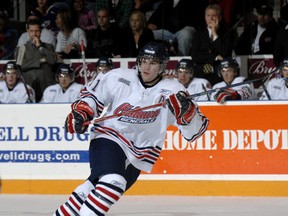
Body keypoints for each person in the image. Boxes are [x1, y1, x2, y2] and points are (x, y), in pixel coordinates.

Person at [53, 42, 209, 215]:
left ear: (163, 66)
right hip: (109, 137)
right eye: (143, 60)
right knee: (114, 181)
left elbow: (194, 132)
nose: (146, 66)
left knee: (89, 190)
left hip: (140, 155)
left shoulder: (174, 90)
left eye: (153, 62)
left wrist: (187, 113)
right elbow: (92, 95)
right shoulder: (119, 76)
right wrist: (81, 113)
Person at [191, 4, 236, 86]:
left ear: (220, 18)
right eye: (208, 15)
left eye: (214, 15)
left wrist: (215, 34)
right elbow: (195, 55)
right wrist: (215, 57)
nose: (210, 18)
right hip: (200, 74)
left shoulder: (228, 33)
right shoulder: (198, 34)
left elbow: (225, 52)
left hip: (219, 74)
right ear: (205, 17)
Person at [15, 18, 57, 102]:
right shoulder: (21, 48)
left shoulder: (48, 47)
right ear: (28, 31)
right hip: (28, 86)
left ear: (41, 32)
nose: (34, 34)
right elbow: (21, 65)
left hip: (47, 85)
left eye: (37, 31)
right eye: (31, 31)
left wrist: (40, 47)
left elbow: (52, 60)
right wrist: (40, 61)